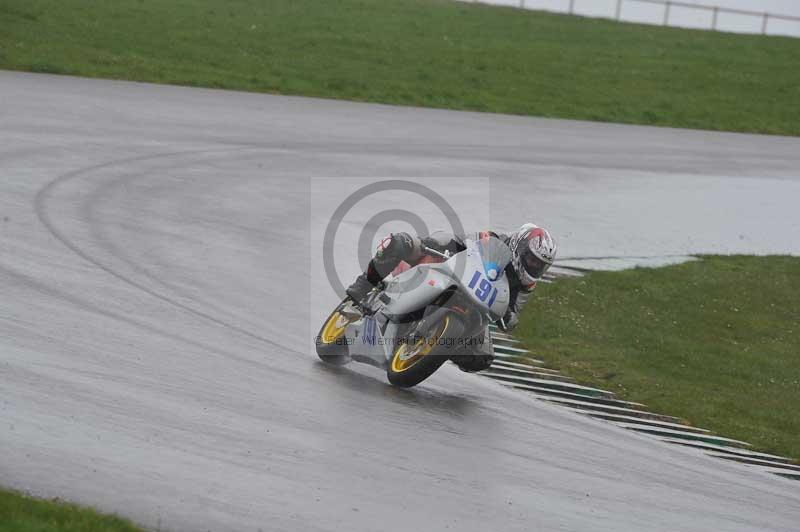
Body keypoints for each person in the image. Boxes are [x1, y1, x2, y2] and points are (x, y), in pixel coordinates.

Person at [345, 224, 557, 371]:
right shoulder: (495, 240)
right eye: (532, 259)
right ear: (519, 245)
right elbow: (465, 243)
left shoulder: (527, 283)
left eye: (540, 265)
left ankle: (434, 345)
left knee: (481, 358)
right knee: (399, 243)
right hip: (447, 265)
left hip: (475, 304)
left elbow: (513, 311)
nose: (534, 266)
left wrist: (509, 318)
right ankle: (365, 284)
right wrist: (439, 247)